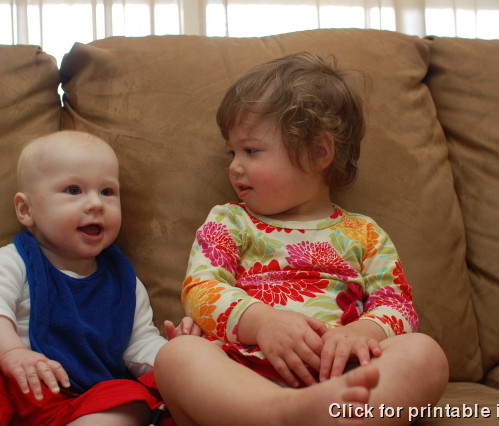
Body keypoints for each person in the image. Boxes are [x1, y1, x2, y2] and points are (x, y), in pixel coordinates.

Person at [153, 52, 449, 425]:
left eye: (251, 150)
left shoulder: (364, 233)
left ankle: (337, 416)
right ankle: (279, 412)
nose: (234, 166)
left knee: (425, 354)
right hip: (245, 372)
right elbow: (201, 288)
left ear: (318, 153)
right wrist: (263, 322)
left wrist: (363, 331)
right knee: (176, 355)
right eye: (232, 152)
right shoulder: (230, 220)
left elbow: (398, 305)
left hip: (341, 372)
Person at [0, 130, 199, 426]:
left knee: (131, 397)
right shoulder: (16, 260)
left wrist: (175, 356)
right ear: (26, 210)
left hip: (76, 403)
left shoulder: (125, 282)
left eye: (107, 191)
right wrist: (11, 353)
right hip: (8, 383)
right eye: (74, 190)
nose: (96, 204)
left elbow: (139, 346)